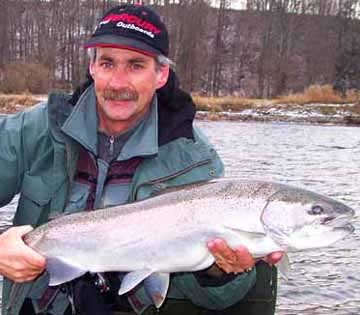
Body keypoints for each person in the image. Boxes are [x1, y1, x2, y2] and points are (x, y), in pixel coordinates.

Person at [0, 4, 281, 315]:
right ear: (92, 68)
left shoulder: (192, 159)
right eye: (107, 63)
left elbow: (213, 300)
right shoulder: (38, 129)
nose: (118, 83)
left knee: (259, 274)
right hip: (35, 305)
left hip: (132, 307)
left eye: (135, 66)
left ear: (161, 74)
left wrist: (215, 272)